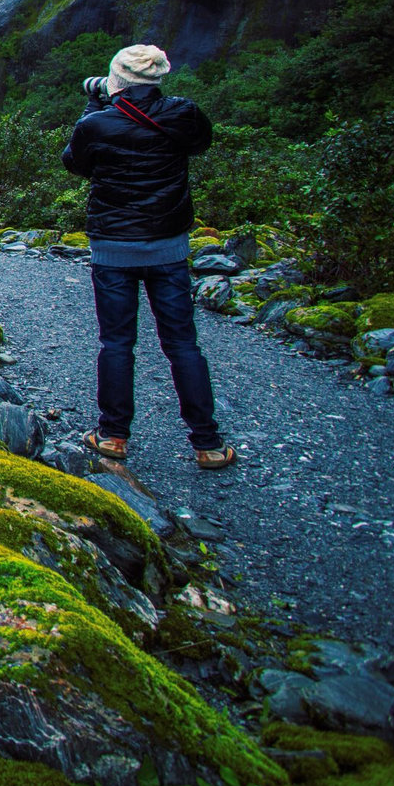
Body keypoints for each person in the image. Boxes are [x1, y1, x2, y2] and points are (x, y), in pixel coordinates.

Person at [62, 43, 237, 469]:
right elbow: (200, 144)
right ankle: (208, 444)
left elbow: (75, 164)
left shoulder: (97, 124)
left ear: (116, 80)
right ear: (157, 78)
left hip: (113, 247)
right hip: (168, 247)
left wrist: (93, 104)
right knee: (182, 344)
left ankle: (113, 435)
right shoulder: (183, 114)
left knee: (117, 342)